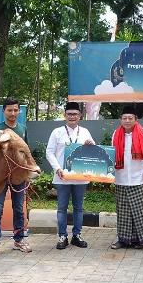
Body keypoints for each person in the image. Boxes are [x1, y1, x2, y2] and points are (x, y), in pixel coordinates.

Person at [45, 101, 95, 250]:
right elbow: (49, 152)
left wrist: (91, 144)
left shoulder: (85, 131)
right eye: (69, 114)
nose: (72, 116)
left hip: (80, 177)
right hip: (62, 177)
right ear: (64, 115)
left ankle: (77, 235)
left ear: (80, 116)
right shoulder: (57, 132)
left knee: (79, 208)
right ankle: (62, 236)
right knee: (62, 208)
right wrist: (57, 168)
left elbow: (93, 152)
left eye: (75, 114)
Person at [0, 98, 31, 256]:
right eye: (9, 110)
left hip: (18, 176)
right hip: (0, 176)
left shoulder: (23, 129)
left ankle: (19, 240)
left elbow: (26, 152)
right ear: (3, 111)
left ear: (19, 111)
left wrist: (27, 172)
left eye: (15, 110)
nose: (13, 113)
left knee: (19, 209)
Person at [111, 105, 143, 249]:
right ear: (120, 120)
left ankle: (139, 240)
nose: (127, 120)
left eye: (130, 118)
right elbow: (112, 155)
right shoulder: (116, 134)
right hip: (120, 178)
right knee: (123, 211)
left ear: (136, 119)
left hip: (138, 178)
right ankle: (123, 239)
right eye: (124, 118)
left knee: (139, 211)